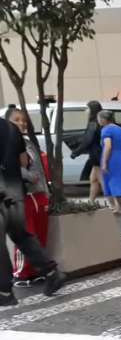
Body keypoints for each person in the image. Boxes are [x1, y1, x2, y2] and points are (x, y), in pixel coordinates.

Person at [0, 117, 66, 306]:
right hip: (14, 189)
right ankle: (52, 272)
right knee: (21, 234)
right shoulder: (10, 128)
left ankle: (4, 291)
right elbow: (23, 160)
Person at [5, 108, 51, 284]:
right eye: (17, 120)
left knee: (39, 233)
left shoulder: (28, 142)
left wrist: (46, 192)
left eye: (24, 120)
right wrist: (30, 176)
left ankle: (38, 269)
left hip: (38, 195)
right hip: (20, 196)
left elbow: (38, 167)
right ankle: (22, 272)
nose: (22, 123)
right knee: (26, 234)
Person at [70, 101, 103, 203]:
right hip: (98, 155)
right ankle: (91, 202)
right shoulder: (98, 122)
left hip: (96, 156)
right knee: (93, 179)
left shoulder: (93, 123)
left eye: (87, 108)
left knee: (103, 182)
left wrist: (76, 152)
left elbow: (87, 141)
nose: (86, 110)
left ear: (92, 110)